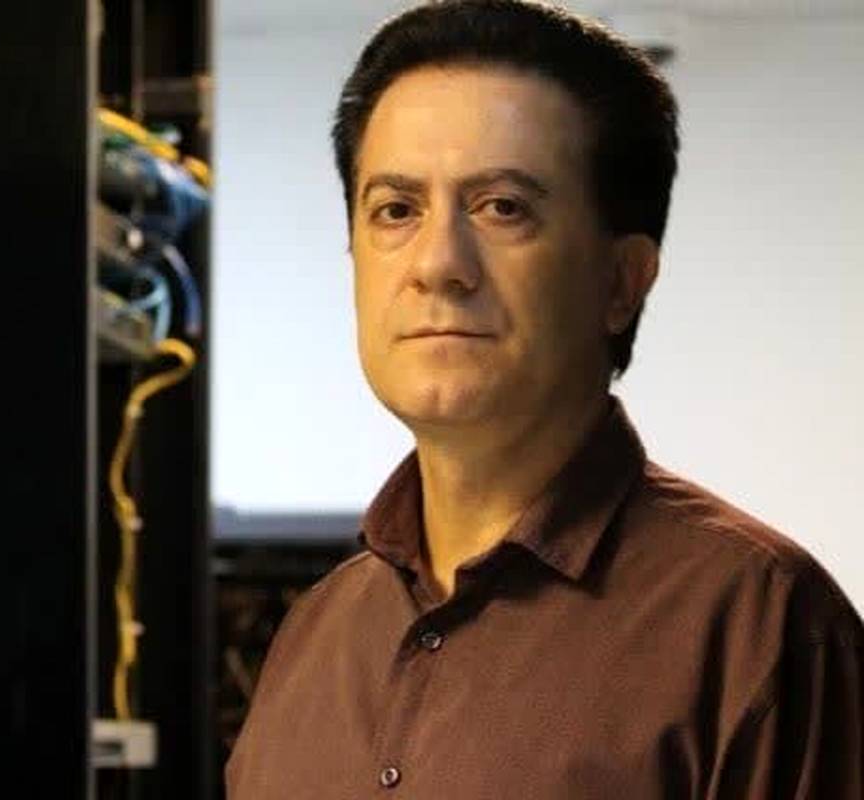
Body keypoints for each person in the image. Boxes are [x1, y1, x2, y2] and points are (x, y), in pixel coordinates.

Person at [224, 1, 864, 796]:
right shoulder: (315, 636)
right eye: (396, 210)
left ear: (621, 282)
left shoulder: (760, 631)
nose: (437, 265)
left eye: (503, 208)